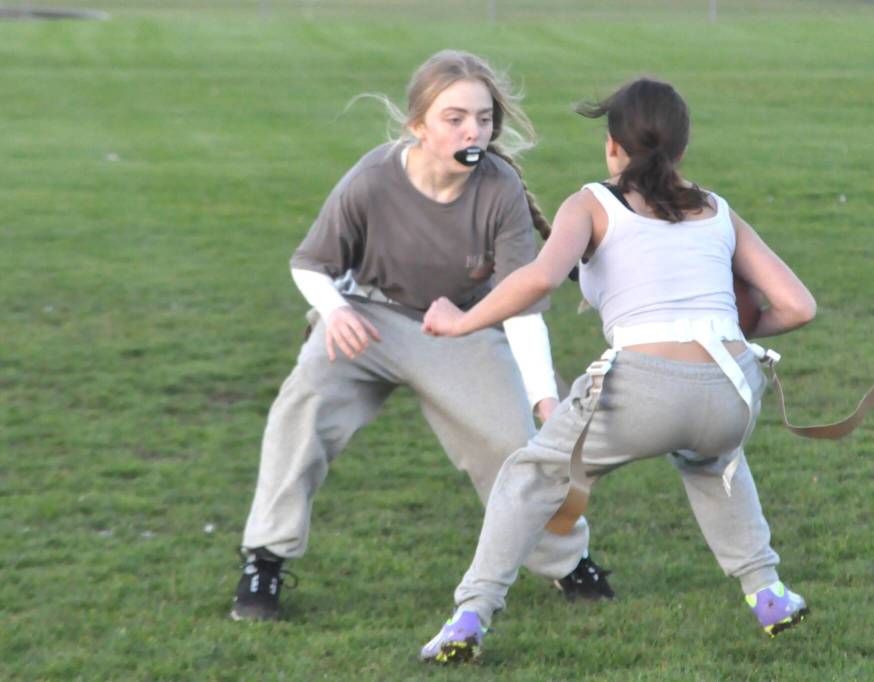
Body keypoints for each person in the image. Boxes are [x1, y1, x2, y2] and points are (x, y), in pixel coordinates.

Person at [418, 77, 817, 663]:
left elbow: (539, 278)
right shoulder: (717, 210)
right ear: (682, 149)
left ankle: (469, 616)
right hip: (731, 388)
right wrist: (721, 333)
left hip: (642, 389)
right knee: (716, 463)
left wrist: (461, 320)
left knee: (530, 474)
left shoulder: (590, 201)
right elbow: (798, 306)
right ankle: (769, 594)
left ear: (612, 146)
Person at [230, 50, 615, 622]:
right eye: (454, 118)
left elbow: (521, 305)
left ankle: (566, 562)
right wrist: (335, 312)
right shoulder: (373, 177)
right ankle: (264, 560)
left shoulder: (499, 186)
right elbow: (309, 264)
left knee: (513, 442)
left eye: (483, 118)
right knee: (301, 407)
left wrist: (542, 395)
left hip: (459, 325)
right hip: (367, 322)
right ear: (419, 125)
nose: (473, 130)